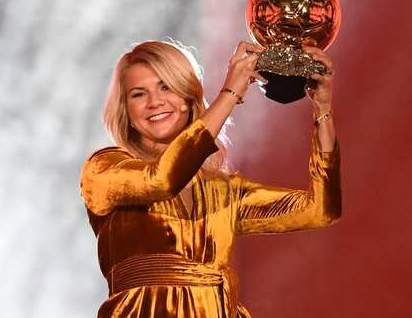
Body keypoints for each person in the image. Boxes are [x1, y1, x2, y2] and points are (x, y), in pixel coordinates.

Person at [79, 40, 341, 318]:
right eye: (138, 94)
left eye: (166, 86)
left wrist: (323, 109)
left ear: (188, 97)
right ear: (126, 111)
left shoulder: (223, 190)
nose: (155, 102)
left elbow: (320, 210)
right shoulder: (103, 170)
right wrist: (231, 93)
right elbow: (162, 180)